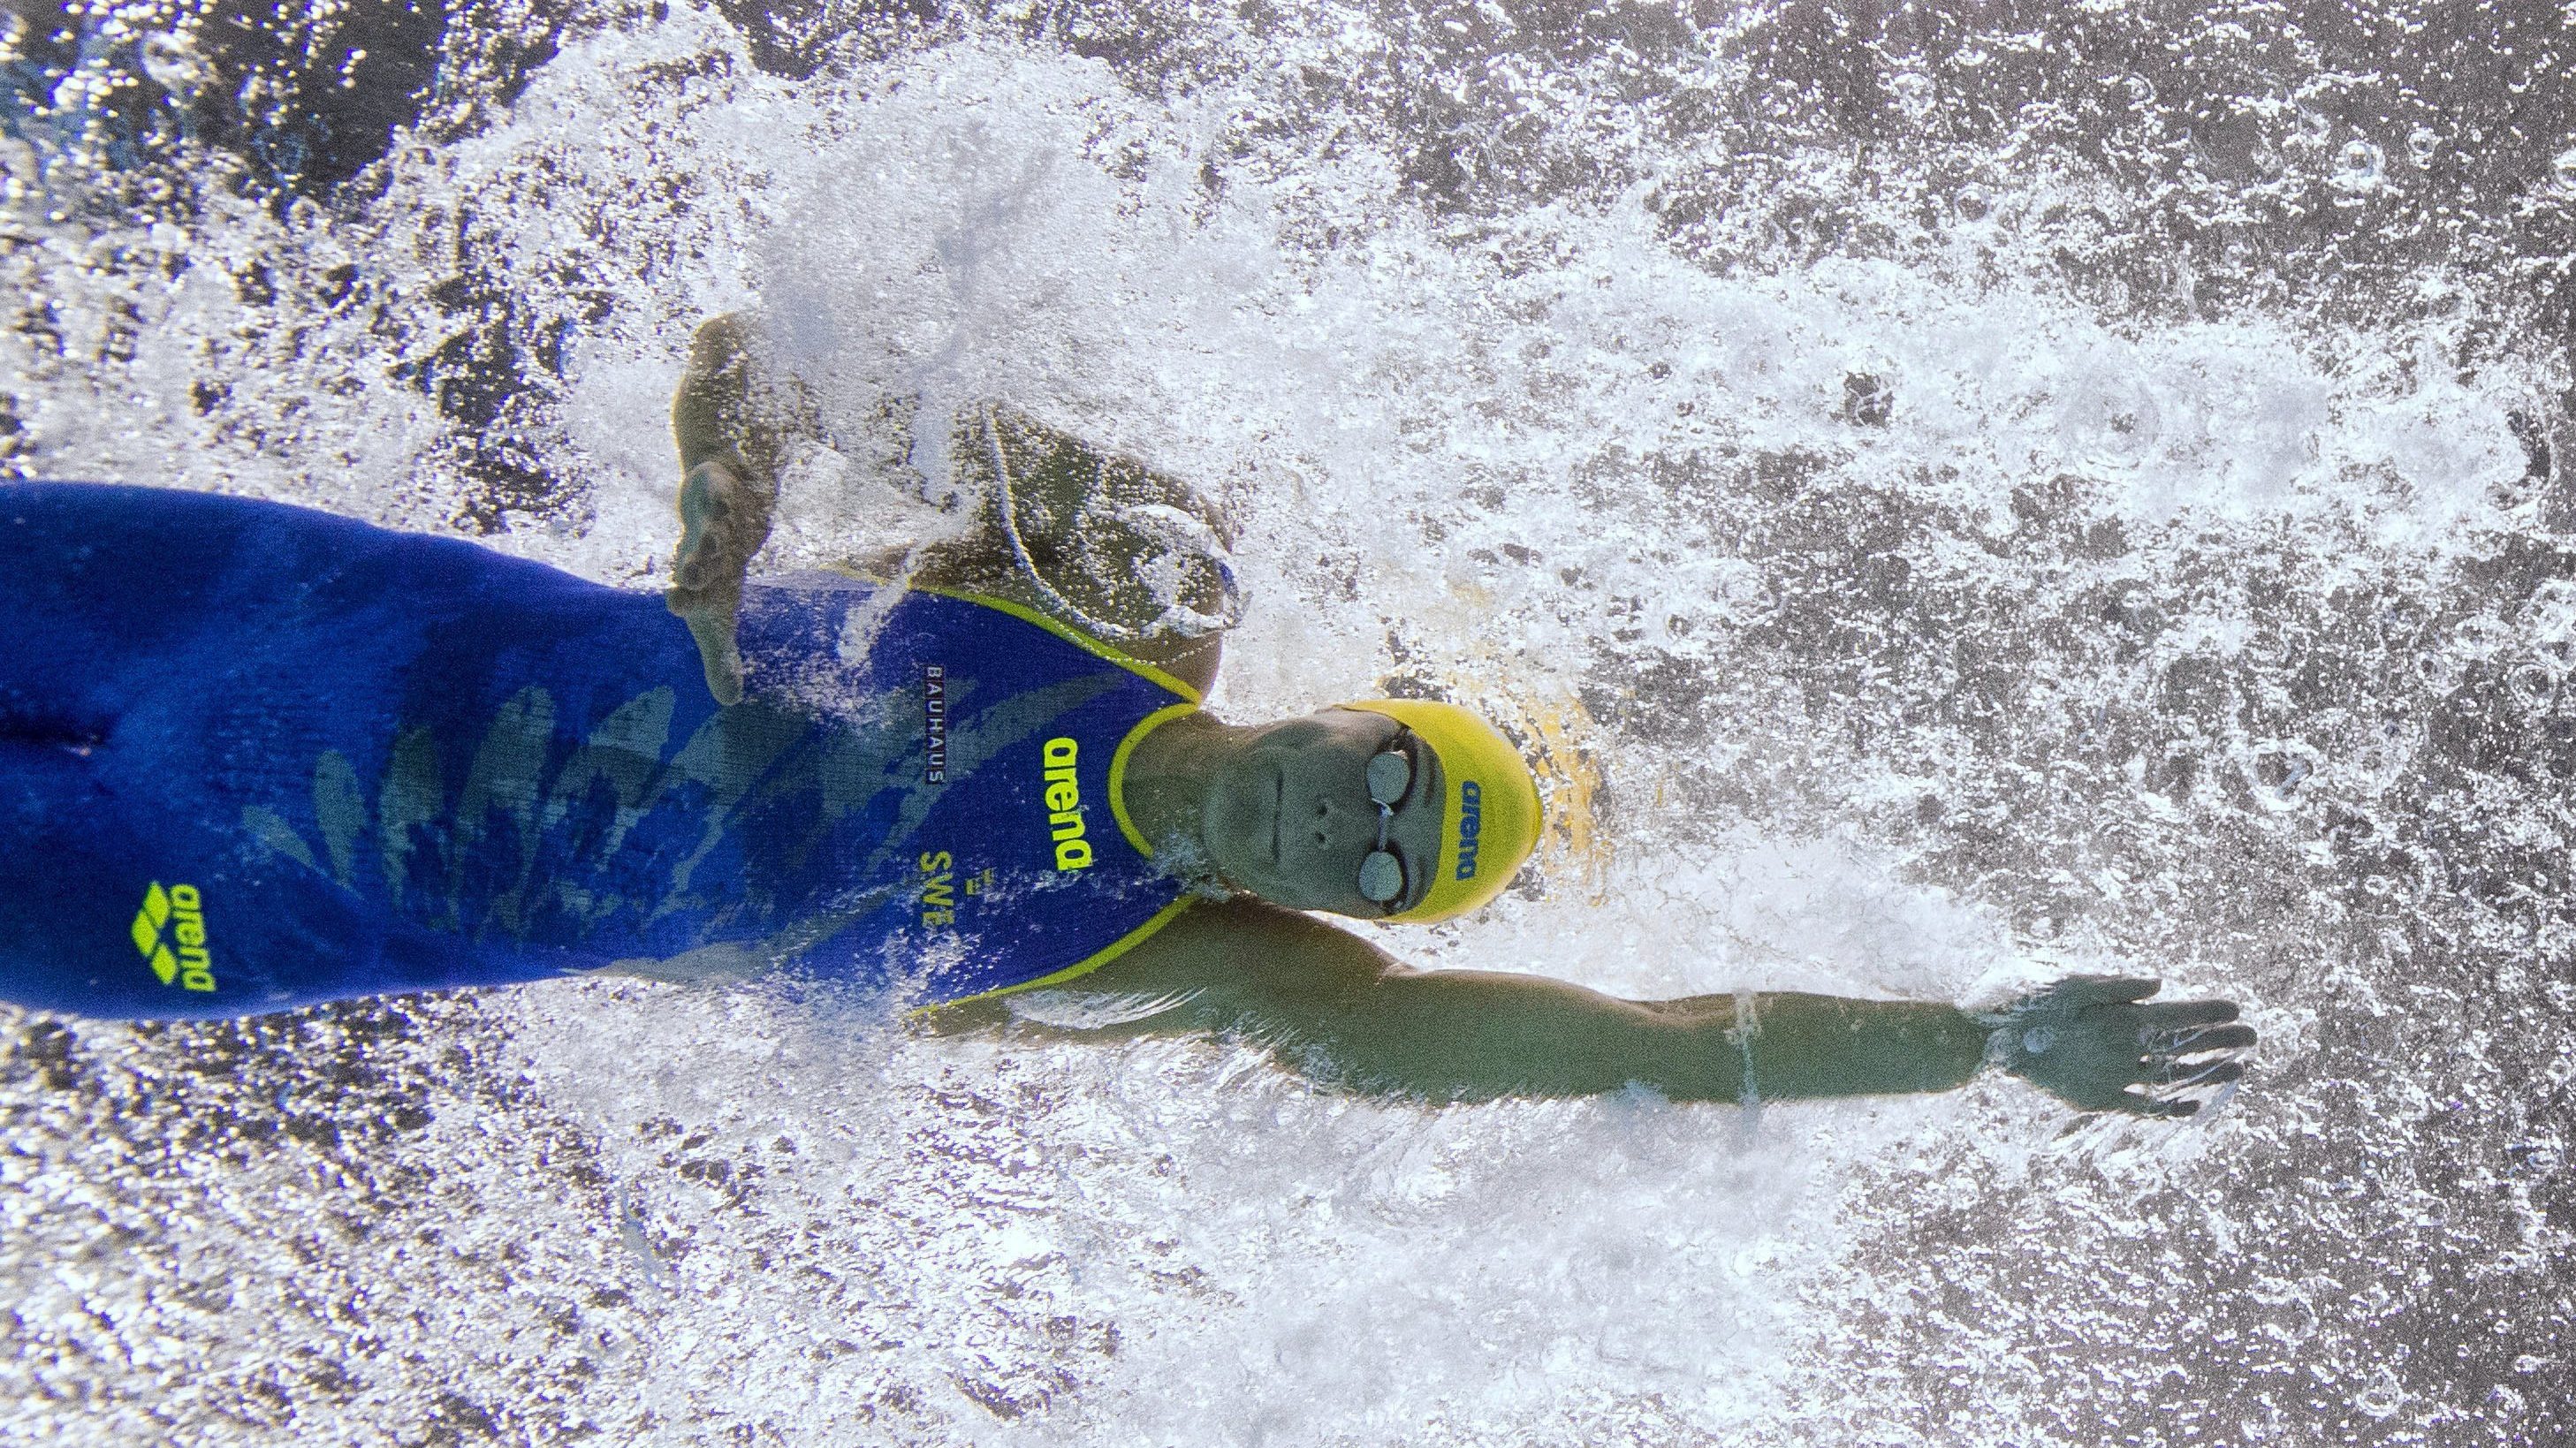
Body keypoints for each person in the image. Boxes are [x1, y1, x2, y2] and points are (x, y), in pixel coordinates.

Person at [0, 315, 2253, 1112]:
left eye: (1394, 876)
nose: (1350, 844)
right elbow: (790, 354)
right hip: (275, 620)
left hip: (239, 901)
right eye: (1397, 786)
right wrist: (721, 524)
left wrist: (1972, 1039)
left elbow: (1659, 1054)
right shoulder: (1133, 589)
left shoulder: (1187, 957)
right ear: (1373, 712)